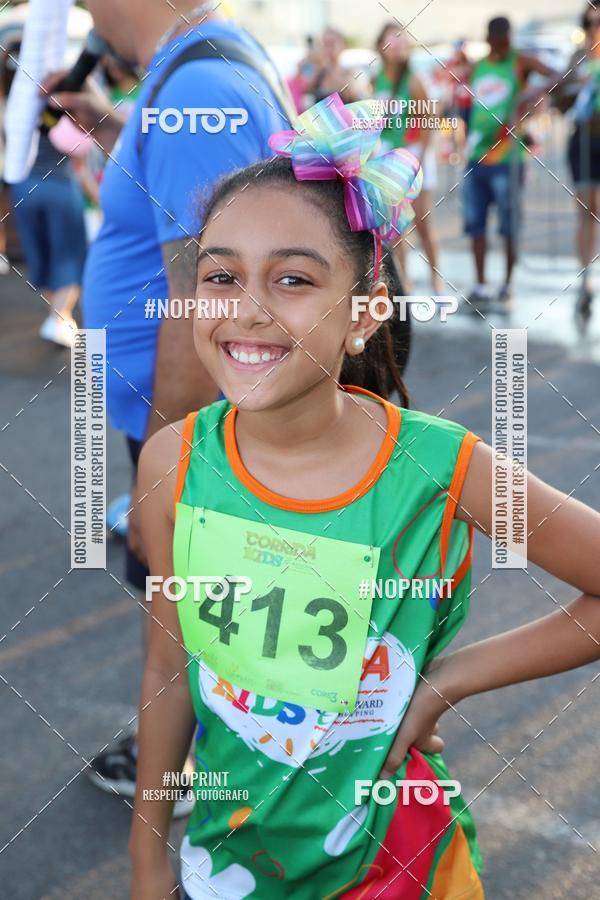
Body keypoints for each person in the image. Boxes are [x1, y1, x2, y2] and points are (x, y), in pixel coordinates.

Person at [129, 93, 600, 900]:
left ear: (365, 313)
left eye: (293, 279)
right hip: (229, 870)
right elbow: (170, 668)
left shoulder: (440, 468)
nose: (245, 307)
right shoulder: (173, 462)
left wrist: (445, 684)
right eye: (220, 274)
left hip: (397, 872)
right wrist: (145, 866)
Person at [43, 0, 291, 806]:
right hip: (181, 418)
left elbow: (203, 302)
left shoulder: (202, 90)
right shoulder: (191, 77)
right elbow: (184, 204)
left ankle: (194, 773)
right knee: (195, 598)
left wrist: (171, 470)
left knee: (187, 594)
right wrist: (116, 136)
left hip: (183, 420)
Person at [463, 16, 558, 310]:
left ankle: (507, 283)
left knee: (509, 224)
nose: (503, 46)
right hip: (476, 156)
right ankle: (480, 284)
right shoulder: (479, 66)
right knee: (475, 224)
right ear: (490, 38)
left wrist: (531, 97)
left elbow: (557, 75)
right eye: (499, 41)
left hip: (509, 158)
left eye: (507, 41)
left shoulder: (520, 61)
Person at [4, 40, 87, 348]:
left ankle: (59, 317)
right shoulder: (63, 102)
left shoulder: (10, 108)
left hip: (24, 189)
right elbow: (81, 149)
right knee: (70, 257)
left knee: (40, 257)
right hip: (61, 187)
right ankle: (60, 317)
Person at [373, 22, 442, 293]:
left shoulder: (414, 79)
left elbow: (429, 121)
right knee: (396, 225)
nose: (398, 46)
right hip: (389, 157)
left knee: (423, 221)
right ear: (381, 46)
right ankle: (405, 284)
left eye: (402, 40)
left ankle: (437, 279)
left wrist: (420, 160)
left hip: (415, 156)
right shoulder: (376, 78)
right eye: (392, 40)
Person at [564, 0, 600, 322]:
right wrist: (577, 88)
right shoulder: (579, 59)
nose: (595, 29)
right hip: (583, 141)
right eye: (590, 23)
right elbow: (559, 98)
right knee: (587, 210)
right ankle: (585, 279)